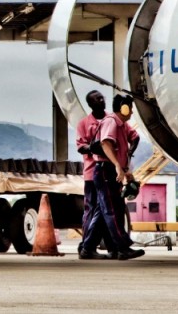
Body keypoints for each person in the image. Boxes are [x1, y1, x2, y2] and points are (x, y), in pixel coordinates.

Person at [89, 94, 145, 260]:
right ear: (123, 107)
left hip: (112, 170)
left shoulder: (123, 125)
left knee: (106, 210)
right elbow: (106, 144)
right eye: (130, 108)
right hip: (105, 170)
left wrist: (125, 167)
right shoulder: (111, 122)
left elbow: (134, 138)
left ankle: (88, 247)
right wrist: (117, 166)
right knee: (113, 210)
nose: (132, 112)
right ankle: (122, 248)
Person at [76, 90, 111, 260]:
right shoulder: (84, 124)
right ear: (90, 104)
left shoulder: (111, 120)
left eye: (102, 97)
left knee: (107, 210)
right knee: (91, 210)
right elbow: (80, 146)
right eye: (97, 99)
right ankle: (86, 244)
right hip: (92, 173)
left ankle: (105, 244)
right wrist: (92, 147)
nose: (102, 100)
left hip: (110, 172)